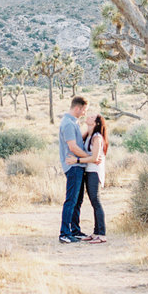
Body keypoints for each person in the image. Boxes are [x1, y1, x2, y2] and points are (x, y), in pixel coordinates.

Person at [58, 95, 100, 243]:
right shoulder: (69, 124)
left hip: (78, 166)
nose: (84, 113)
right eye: (84, 110)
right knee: (71, 200)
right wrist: (90, 156)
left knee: (77, 200)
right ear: (77, 108)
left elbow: (78, 142)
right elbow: (73, 147)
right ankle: (64, 233)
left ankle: (75, 230)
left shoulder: (73, 123)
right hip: (73, 166)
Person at [68, 113, 108, 243]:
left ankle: (101, 234)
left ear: (96, 123)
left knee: (96, 201)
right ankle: (96, 232)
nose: (88, 117)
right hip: (89, 171)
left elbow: (95, 158)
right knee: (93, 201)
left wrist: (77, 160)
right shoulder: (89, 135)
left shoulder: (97, 137)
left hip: (94, 172)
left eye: (92, 117)